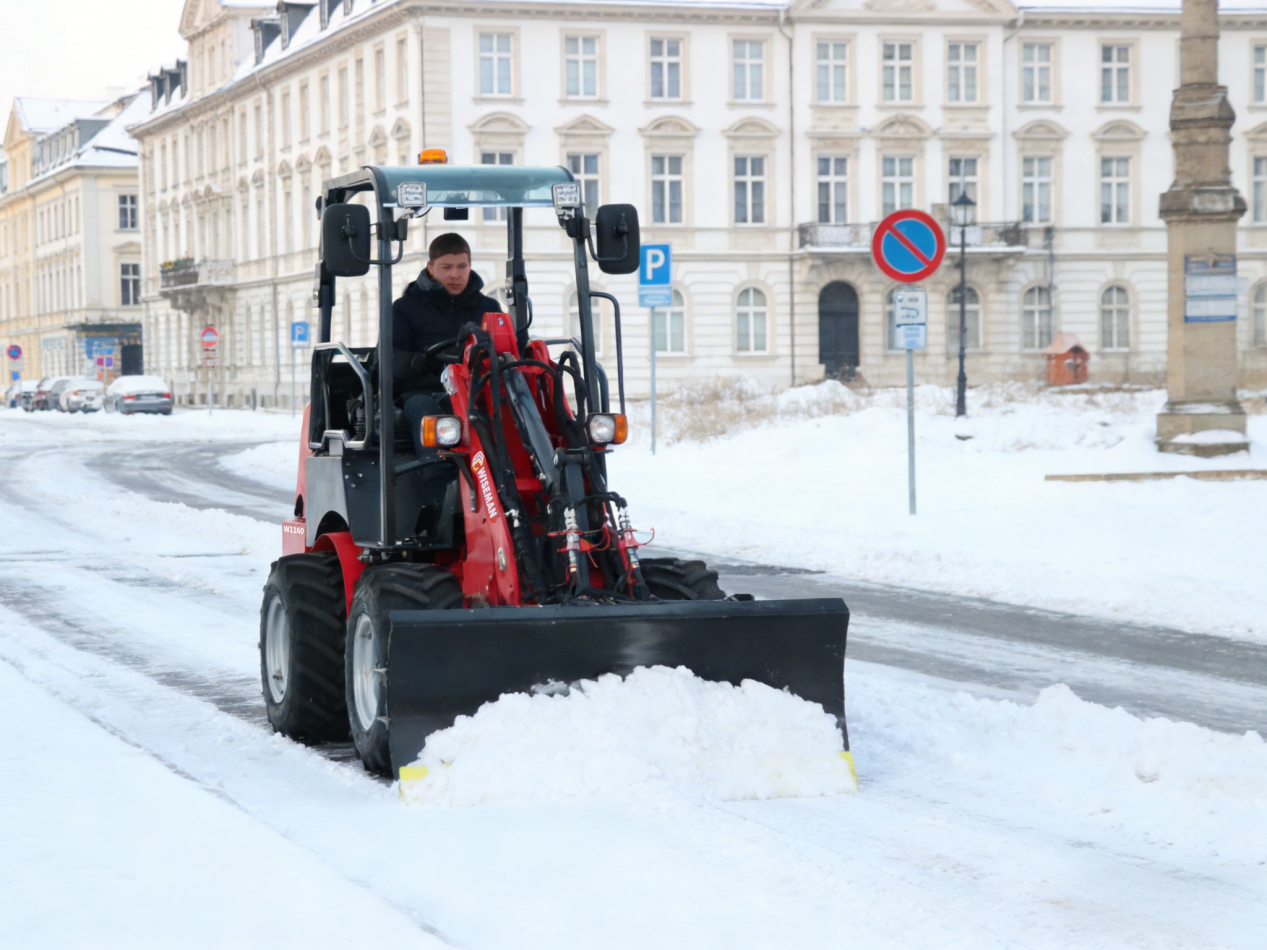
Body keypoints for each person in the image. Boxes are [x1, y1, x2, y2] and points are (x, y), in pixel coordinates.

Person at [393, 232, 514, 461]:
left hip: (477, 389)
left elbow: (504, 349)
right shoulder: (404, 308)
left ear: (470, 267)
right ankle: (435, 477)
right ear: (430, 268)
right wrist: (416, 361)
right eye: (446, 267)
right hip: (422, 391)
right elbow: (390, 358)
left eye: (461, 266)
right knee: (430, 413)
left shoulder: (488, 308)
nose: (455, 274)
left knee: (513, 407)